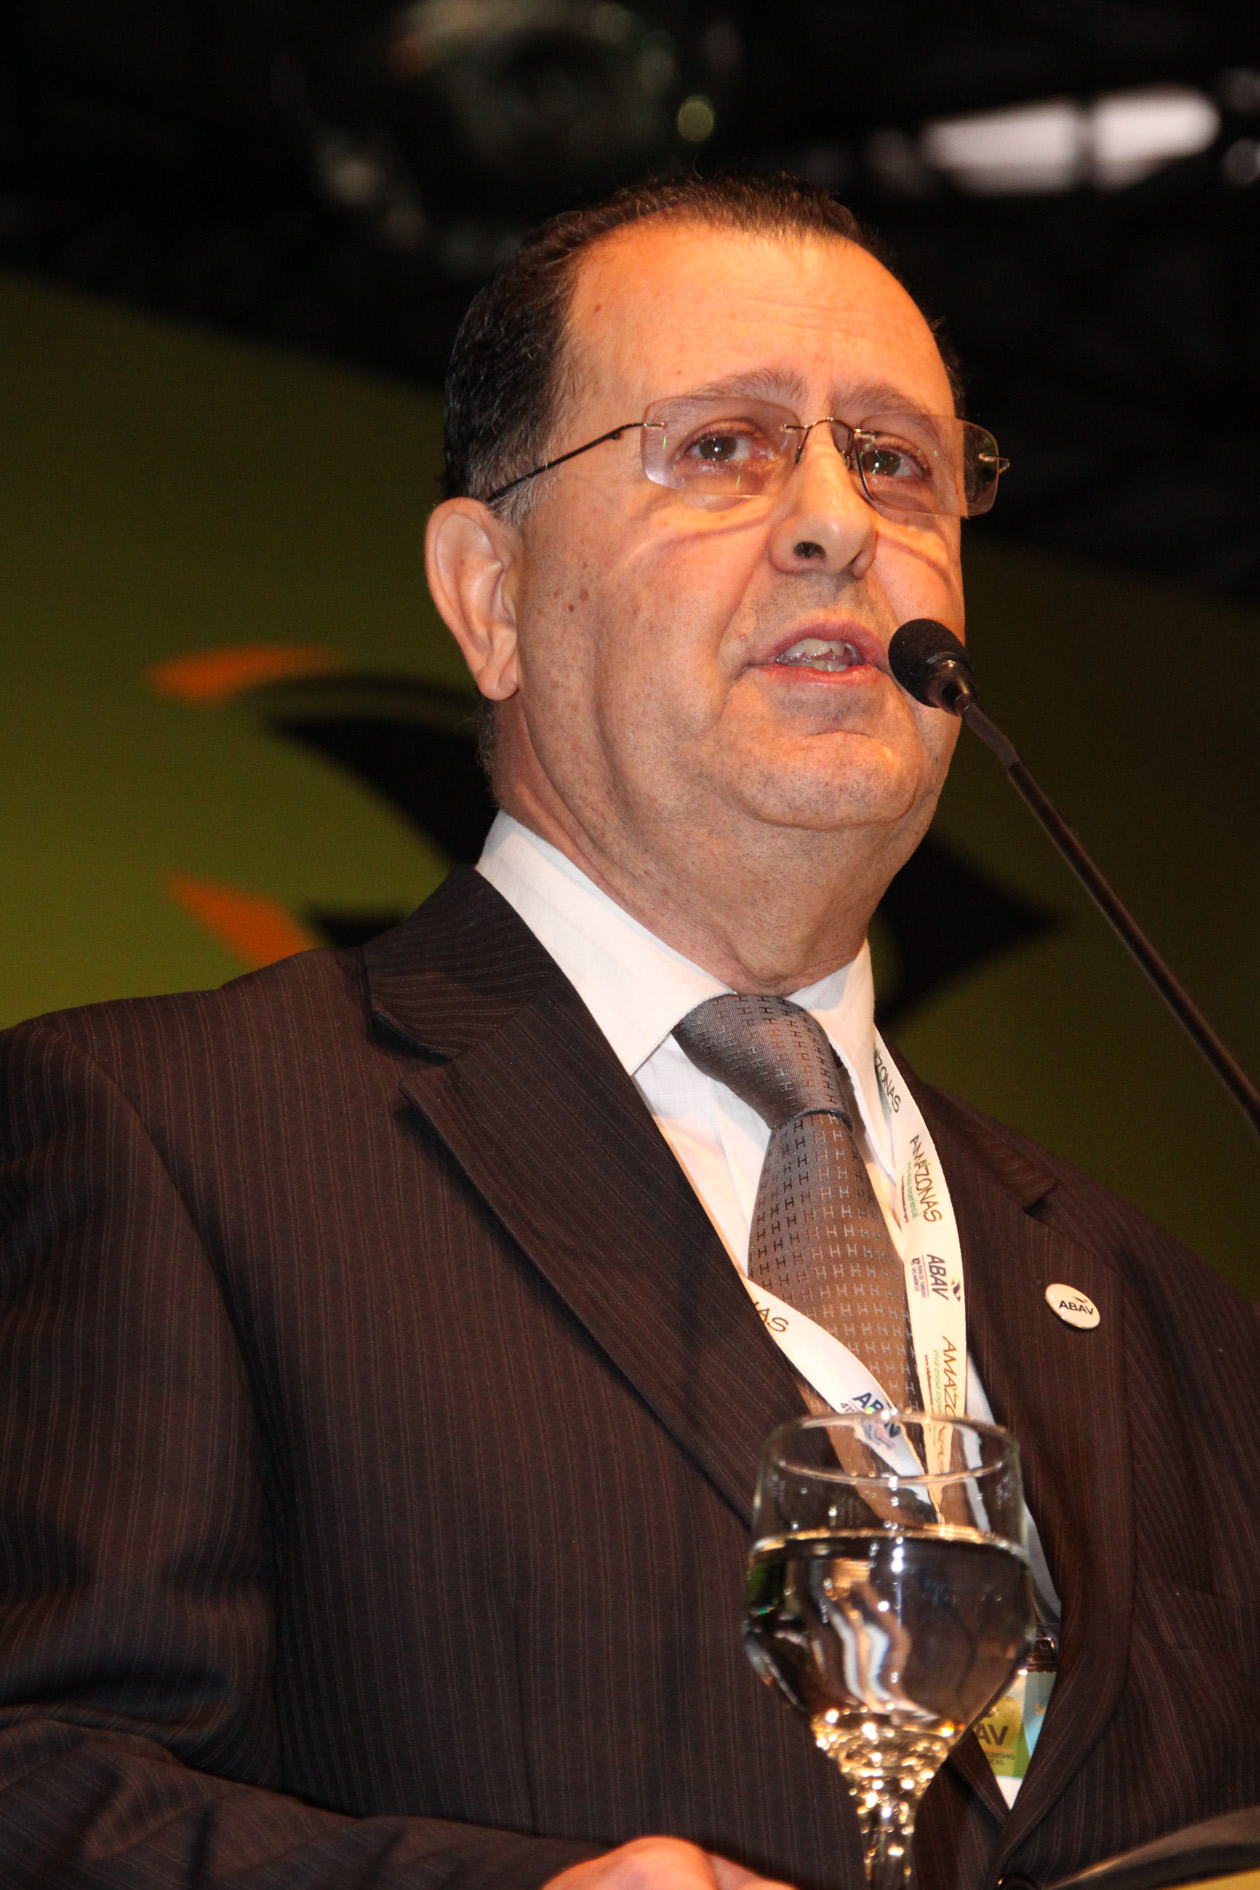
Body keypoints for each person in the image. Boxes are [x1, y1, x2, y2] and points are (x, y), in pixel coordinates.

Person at [0, 173, 1256, 1890]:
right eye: (724, 446)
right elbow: (43, 1788)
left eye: (899, 463)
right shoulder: (171, 1139)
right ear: (491, 595)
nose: (838, 525)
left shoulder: (1173, 1312)